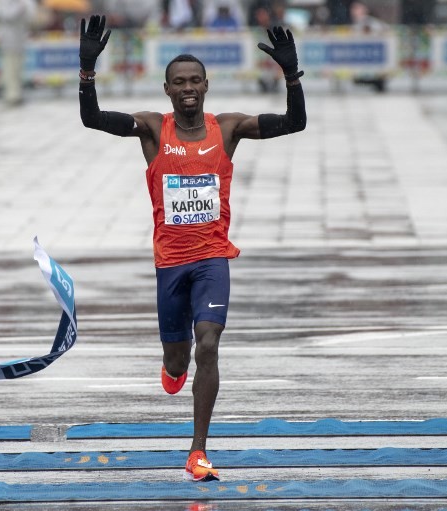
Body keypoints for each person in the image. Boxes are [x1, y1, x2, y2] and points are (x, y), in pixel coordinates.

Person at [78, 14, 306, 481]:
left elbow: (294, 123)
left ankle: (197, 451)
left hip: (212, 259)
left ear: (206, 85)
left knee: (209, 345)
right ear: (167, 89)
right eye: (179, 82)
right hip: (170, 264)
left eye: (195, 81)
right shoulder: (151, 129)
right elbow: (93, 119)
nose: (188, 88)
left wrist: (291, 76)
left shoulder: (228, 128)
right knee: (178, 359)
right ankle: (172, 366)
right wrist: (87, 73)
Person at [0, 0, 36, 106]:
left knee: (18, 68)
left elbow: (30, 16)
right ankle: (11, 95)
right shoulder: (5, 3)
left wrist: (23, 9)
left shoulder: (24, 3)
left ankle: (17, 93)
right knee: (9, 68)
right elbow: (6, 15)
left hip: (19, 39)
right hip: (7, 40)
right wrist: (19, 9)